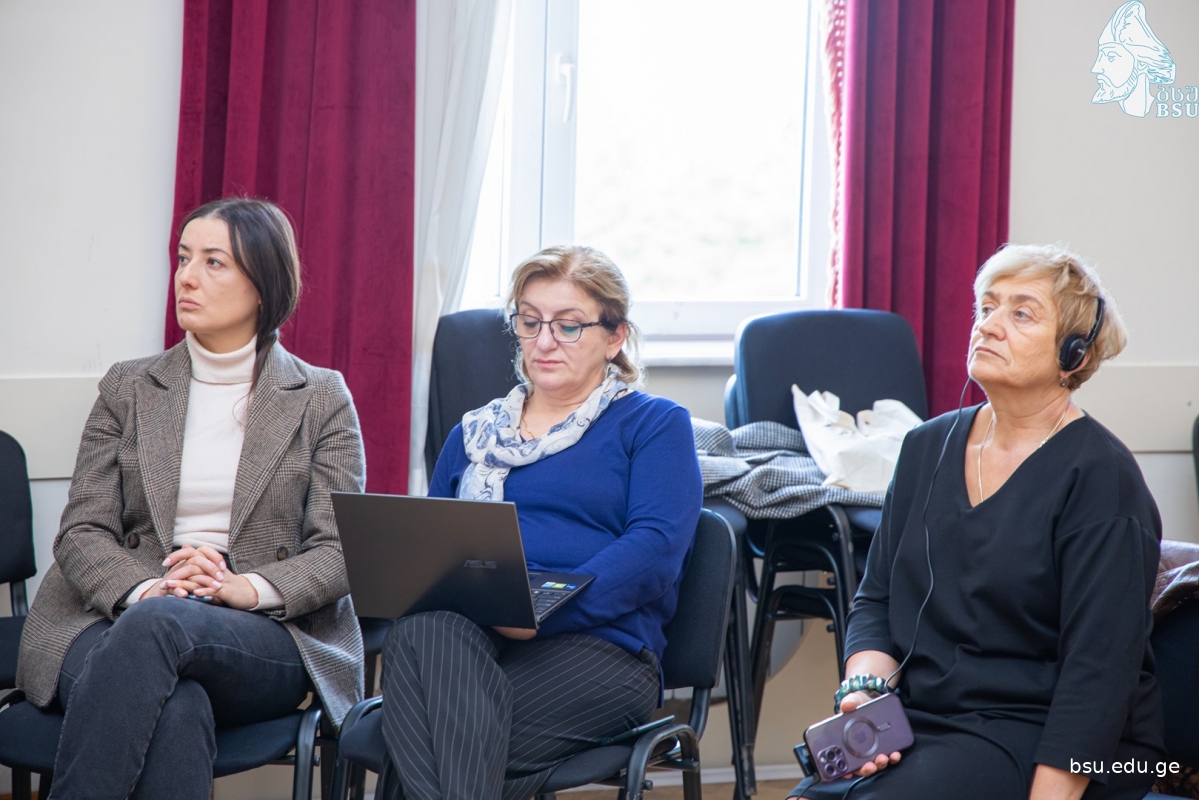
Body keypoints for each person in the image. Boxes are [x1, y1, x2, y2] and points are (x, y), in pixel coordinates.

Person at [15, 197, 366, 800]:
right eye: (183, 258)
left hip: (263, 631)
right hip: (112, 614)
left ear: (263, 284)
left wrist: (243, 587)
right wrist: (148, 589)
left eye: (213, 262)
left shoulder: (320, 397)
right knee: (176, 704)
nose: (187, 277)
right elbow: (82, 531)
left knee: (161, 632)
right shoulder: (128, 387)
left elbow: (339, 550)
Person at [789, 244, 1164, 800]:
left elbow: (1100, 671)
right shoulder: (926, 447)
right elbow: (878, 597)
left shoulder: (1102, 477)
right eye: (986, 308)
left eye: (1021, 313)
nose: (988, 325)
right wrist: (866, 693)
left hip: (1052, 735)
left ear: (1073, 354)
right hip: (925, 719)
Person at [378, 245, 703, 799]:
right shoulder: (471, 435)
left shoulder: (653, 424)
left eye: (569, 326)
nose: (544, 341)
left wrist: (538, 609)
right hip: (464, 639)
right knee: (421, 630)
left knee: (424, 736)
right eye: (530, 322)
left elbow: (655, 549)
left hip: (598, 645)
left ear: (615, 336)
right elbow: (436, 551)